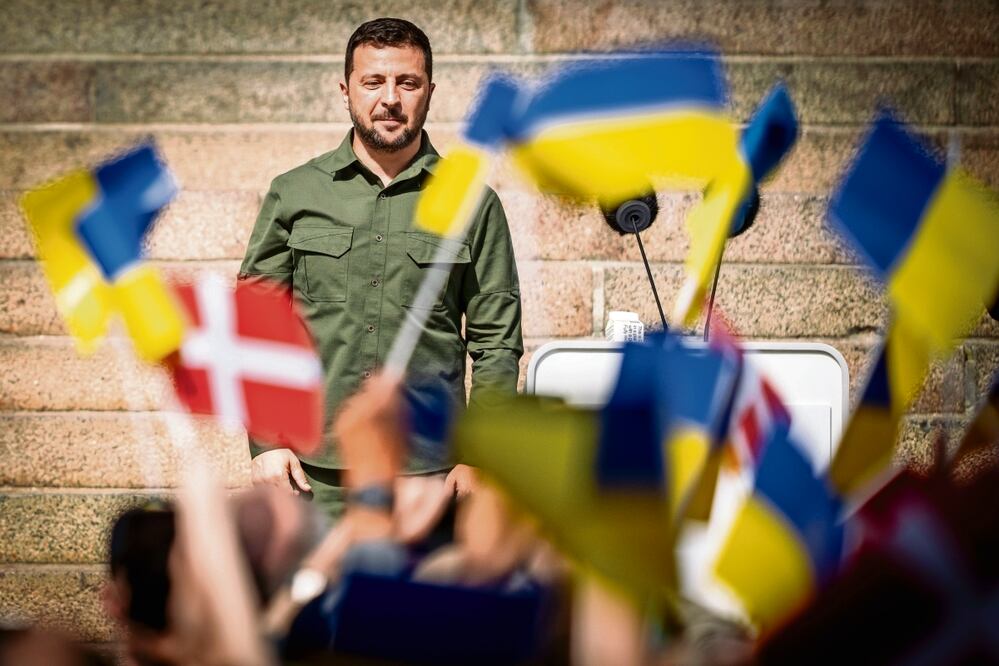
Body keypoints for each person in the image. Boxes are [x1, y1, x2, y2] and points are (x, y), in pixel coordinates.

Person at [239, 17, 523, 517]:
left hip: (430, 478)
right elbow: (256, 321)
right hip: (311, 474)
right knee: (311, 598)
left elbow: (496, 342)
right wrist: (267, 443)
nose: (390, 98)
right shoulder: (295, 193)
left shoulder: (473, 203)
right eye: (374, 81)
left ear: (430, 92)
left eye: (407, 83)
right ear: (345, 89)